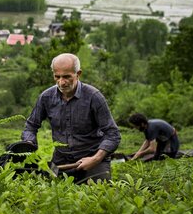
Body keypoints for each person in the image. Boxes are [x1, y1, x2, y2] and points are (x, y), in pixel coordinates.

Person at [21, 53, 121, 184]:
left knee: (99, 194)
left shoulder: (94, 97)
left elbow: (113, 134)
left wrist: (95, 159)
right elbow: (31, 126)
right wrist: (29, 144)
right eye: (57, 77)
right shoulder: (46, 97)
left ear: (78, 74)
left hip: (93, 158)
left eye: (67, 77)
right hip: (61, 160)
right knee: (45, 190)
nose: (61, 82)